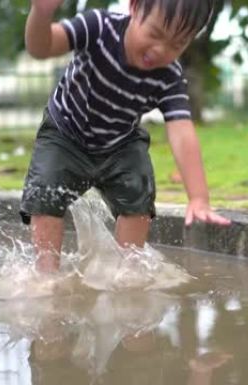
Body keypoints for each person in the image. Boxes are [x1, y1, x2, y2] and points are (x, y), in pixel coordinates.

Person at [22, 0, 231, 272]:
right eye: (155, 34)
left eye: (177, 45)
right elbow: (42, 48)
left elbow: (181, 130)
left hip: (120, 141)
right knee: (45, 196)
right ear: (134, 7)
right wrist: (41, 13)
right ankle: (46, 275)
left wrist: (199, 197)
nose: (160, 50)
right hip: (65, 133)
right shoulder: (98, 27)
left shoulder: (169, 75)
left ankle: (128, 272)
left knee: (138, 196)